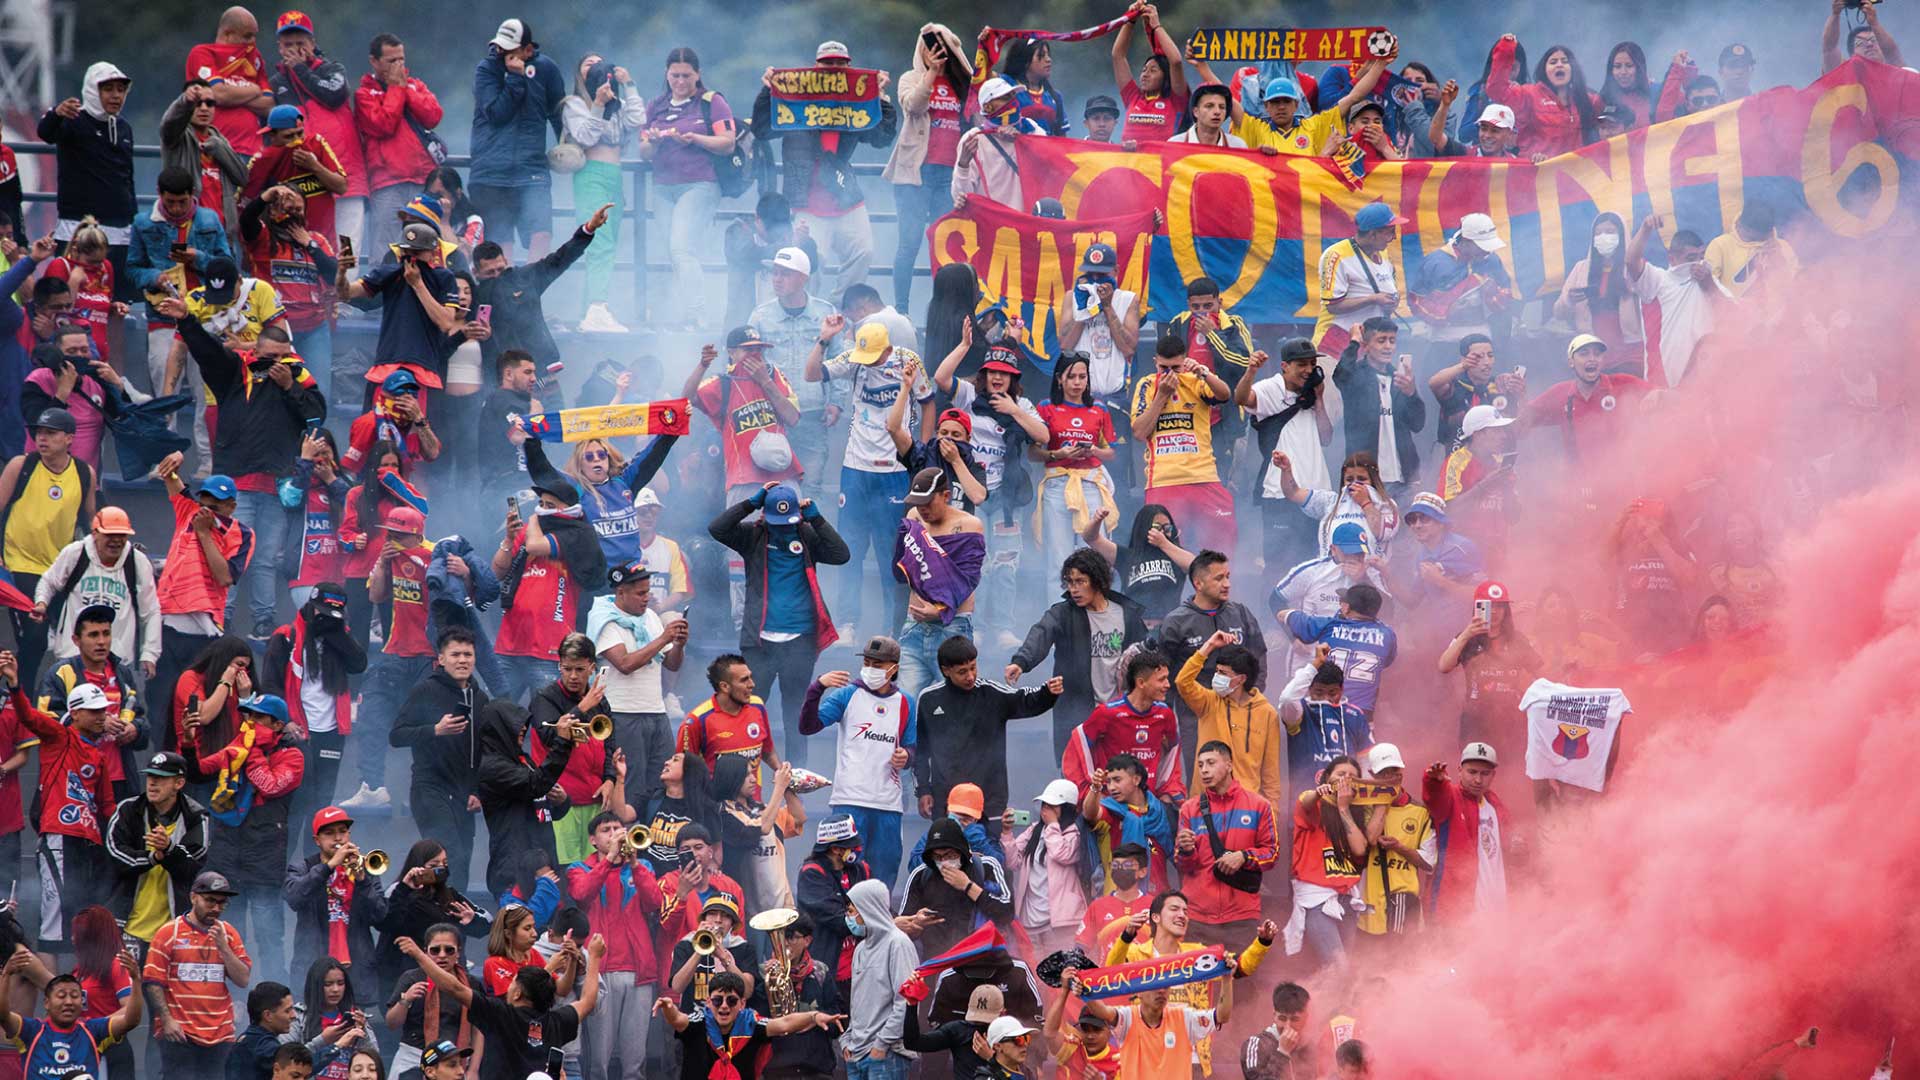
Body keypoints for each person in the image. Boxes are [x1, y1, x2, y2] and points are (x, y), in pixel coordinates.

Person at [174, 312, 328, 639]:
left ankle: (262, 620)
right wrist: (186, 321)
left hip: (275, 487)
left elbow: (316, 415)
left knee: (266, 559)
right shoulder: (235, 372)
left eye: (282, 357)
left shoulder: (298, 376)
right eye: (268, 357)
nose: (276, 364)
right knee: (228, 554)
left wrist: (289, 387)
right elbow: (208, 352)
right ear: (255, 351)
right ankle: (222, 617)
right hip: (235, 488)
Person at [806, 316, 933, 636]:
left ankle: (894, 627)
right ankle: (848, 622)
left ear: (888, 348)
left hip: (894, 469)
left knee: (892, 552)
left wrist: (925, 452)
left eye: (874, 356)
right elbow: (811, 374)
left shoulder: (909, 360)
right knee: (850, 547)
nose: (867, 361)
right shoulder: (853, 358)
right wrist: (824, 339)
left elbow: (929, 403)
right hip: (855, 468)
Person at [753, 40, 900, 300]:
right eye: (827, 64)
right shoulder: (794, 100)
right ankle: (808, 315)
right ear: (815, 68)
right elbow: (761, 129)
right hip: (805, 201)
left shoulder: (856, 102)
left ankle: (841, 308)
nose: (833, 70)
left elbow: (882, 137)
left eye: (840, 65)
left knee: (863, 252)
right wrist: (768, 90)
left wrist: (879, 97)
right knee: (806, 263)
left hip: (845, 197)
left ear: (849, 69)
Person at [396, 929, 606, 1080]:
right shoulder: (557, 1021)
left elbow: (455, 988)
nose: (511, 984)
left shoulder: (500, 1014)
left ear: (517, 993)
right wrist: (595, 957)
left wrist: (419, 956)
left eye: (514, 982)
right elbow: (587, 1001)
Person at [1008, 548, 1149, 759]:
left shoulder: (1127, 615)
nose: (1074, 589)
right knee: (1077, 778)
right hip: (1079, 713)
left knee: (1121, 776)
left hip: (1120, 712)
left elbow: (1145, 661)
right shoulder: (1063, 614)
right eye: (1070, 582)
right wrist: (1021, 662)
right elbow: (1042, 632)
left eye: (1080, 581)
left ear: (1098, 580)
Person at [799, 637, 914, 889]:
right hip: (850, 799)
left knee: (884, 873)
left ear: (893, 668)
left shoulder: (906, 701)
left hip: (888, 803)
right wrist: (817, 687)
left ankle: (880, 924)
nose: (871, 668)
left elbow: (912, 746)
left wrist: (906, 756)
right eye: (867, 662)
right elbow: (807, 726)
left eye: (878, 664)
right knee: (845, 871)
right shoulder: (847, 695)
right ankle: (845, 924)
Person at [638, 46, 737, 332]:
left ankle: (698, 314)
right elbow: (643, 151)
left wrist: (695, 138)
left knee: (681, 247)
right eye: (674, 75)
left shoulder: (711, 101)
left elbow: (727, 142)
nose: (680, 81)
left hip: (699, 183)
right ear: (666, 75)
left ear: (697, 75)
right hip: (663, 185)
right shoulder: (656, 105)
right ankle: (677, 310)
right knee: (672, 251)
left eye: (686, 75)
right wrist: (654, 141)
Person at [913, 636, 1059, 825]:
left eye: (973, 667)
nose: (970, 676)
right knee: (947, 854)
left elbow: (1026, 701)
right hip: (946, 802)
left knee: (989, 853)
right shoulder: (928, 699)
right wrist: (923, 790)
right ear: (945, 671)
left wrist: (1048, 692)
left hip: (990, 803)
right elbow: (921, 751)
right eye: (962, 672)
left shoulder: (991, 693)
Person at [388, 628, 488, 890]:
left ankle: (454, 925)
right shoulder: (425, 690)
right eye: (455, 654)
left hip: (464, 794)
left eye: (468, 654)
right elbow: (396, 735)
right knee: (446, 856)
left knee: (462, 861)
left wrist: (478, 790)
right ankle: (432, 922)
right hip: (430, 788)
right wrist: (434, 729)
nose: (462, 660)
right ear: (441, 659)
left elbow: (484, 749)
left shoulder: (480, 698)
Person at [4, 408, 99, 684]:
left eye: (50, 433)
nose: (41, 438)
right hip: (19, 564)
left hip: (59, 569)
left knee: (75, 638)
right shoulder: (21, 466)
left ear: (69, 438)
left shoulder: (84, 473)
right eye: (39, 432)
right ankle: (19, 699)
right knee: (34, 637)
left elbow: (90, 520)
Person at [564, 812, 661, 1080]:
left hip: (638, 972)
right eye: (607, 830)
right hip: (600, 973)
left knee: (634, 1060)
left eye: (618, 828)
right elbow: (581, 894)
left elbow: (654, 902)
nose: (615, 833)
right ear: (593, 840)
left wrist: (635, 863)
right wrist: (609, 860)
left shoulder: (643, 867)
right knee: (599, 1062)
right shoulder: (578, 869)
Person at [885, 23, 973, 309]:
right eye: (928, 46)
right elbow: (913, 106)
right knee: (909, 243)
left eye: (939, 48)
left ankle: (945, 310)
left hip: (950, 175)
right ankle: (902, 309)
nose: (933, 53)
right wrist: (932, 74)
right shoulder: (911, 78)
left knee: (945, 245)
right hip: (916, 174)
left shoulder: (963, 86)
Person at [470, 202, 611, 375]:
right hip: (502, 378)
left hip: (543, 370)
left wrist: (588, 229)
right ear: (475, 272)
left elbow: (560, 259)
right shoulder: (473, 296)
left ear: (506, 262)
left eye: (500, 269)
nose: (497, 277)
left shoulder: (523, 278)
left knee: (552, 402)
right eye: (490, 273)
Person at [588, 558, 685, 804]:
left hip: (656, 713)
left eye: (648, 592)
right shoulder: (605, 620)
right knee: (630, 787)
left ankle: (655, 840)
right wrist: (664, 638)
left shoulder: (651, 617)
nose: (647, 598)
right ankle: (625, 839)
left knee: (662, 786)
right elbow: (625, 664)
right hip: (623, 715)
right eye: (640, 593)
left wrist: (679, 645)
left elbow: (671, 664)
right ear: (621, 592)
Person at [560, 54, 646, 333]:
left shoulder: (616, 104)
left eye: (601, 63)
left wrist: (628, 84)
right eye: (589, 64)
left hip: (614, 176)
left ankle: (593, 310)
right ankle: (597, 307)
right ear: (579, 74)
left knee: (607, 243)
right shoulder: (574, 104)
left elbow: (637, 118)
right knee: (600, 241)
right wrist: (597, 104)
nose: (596, 67)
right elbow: (585, 136)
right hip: (591, 174)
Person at [1156, 550, 1268, 762]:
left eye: (1227, 577)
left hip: (1239, 712)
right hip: (1195, 716)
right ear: (1198, 584)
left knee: (1241, 772)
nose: (1226, 584)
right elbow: (1164, 675)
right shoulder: (1176, 622)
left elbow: (1259, 655)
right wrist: (1164, 719)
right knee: (1202, 775)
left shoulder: (1241, 613)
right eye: (1219, 578)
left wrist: (1254, 691)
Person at [468, 18, 566, 260]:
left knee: (542, 235)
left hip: (532, 169)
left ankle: (529, 292)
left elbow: (558, 112)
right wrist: (515, 77)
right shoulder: (486, 69)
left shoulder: (547, 69)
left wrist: (567, 145)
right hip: (492, 172)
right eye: (500, 47)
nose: (502, 53)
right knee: (502, 245)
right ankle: (506, 296)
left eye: (509, 49)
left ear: (528, 49)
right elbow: (496, 114)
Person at [1130, 335, 1235, 557]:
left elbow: (1225, 394)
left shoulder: (1196, 380)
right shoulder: (1148, 384)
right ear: (1155, 361)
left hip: (1203, 476)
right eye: (1163, 368)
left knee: (1222, 544)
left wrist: (1203, 372)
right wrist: (1162, 396)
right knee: (1162, 549)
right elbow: (1139, 431)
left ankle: (1218, 589)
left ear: (1185, 361)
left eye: (1175, 368)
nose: (1169, 374)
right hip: (1163, 480)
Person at [38, 64, 137, 295]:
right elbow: (45, 133)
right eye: (109, 89)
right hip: (77, 228)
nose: (116, 95)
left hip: (120, 230)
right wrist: (56, 113)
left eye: (121, 90)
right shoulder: (73, 119)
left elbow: (127, 176)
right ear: (93, 90)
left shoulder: (124, 128)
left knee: (116, 301)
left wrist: (131, 215)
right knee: (71, 295)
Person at [144, 870, 254, 1076]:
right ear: (193, 897)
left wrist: (223, 947)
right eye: (210, 901)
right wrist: (167, 1020)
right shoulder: (169, 932)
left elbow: (243, 979)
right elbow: (152, 981)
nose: (216, 908)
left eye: (222, 903)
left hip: (220, 1036)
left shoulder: (228, 933)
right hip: (180, 1035)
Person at [1173, 741, 1278, 952]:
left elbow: (1272, 853)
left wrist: (1244, 857)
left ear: (1229, 765)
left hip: (1241, 916)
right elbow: (1183, 865)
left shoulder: (1259, 805)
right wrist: (1185, 851)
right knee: (1197, 985)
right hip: (1197, 917)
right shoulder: (1189, 809)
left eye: (1211, 763)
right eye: (1200, 765)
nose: (1204, 770)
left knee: (1242, 981)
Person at [37, 604, 147, 800]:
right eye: (93, 635)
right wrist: (96, 723)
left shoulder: (123, 673)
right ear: (76, 640)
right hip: (76, 779)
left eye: (106, 633)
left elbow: (140, 717)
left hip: (119, 780)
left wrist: (135, 730)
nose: (102, 642)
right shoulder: (61, 673)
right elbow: (46, 720)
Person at [283, 805, 387, 1010]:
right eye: (329, 833)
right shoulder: (302, 868)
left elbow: (380, 916)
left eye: (342, 832)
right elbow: (294, 898)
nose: (338, 838)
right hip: (314, 969)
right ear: (317, 840)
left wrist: (363, 881)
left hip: (355, 971)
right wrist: (328, 867)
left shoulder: (365, 869)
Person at [891, 466, 984, 695]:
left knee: (954, 704)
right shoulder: (913, 517)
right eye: (917, 502)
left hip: (952, 627)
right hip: (914, 626)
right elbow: (899, 569)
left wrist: (940, 609)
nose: (922, 509)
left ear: (946, 496)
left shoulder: (969, 525)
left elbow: (968, 579)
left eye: (927, 502)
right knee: (906, 703)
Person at [654, 968, 845, 1080]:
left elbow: (785, 1023)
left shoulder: (750, 1024)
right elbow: (678, 1020)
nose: (724, 1007)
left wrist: (813, 1016)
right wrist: (668, 1007)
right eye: (718, 1000)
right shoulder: (699, 1022)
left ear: (743, 1003)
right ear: (708, 1002)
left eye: (732, 1001)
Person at [105, 750, 211, 943]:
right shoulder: (128, 810)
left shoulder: (195, 816)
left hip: (175, 929)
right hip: (126, 924)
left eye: (161, 778)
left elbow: (193, 865)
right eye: (150, 776)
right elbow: (115, 854)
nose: (152, 782)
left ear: (179, 783)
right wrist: (153, 857)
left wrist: (169, 849)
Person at [1436, 582, 1543, 773]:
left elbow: (1541, 671)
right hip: (1475, 720)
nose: (1494, 612)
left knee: (1510, 773)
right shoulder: (1467, 638)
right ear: (1478, 608)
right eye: (1488, 606)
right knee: (1475, 772)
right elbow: (1444, 666)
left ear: (1506, 610)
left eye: (1500, 606)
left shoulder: (1517, 640)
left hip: (1511, 720)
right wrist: (1466, 634)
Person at [356, 33, 445, 258]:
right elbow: (383, 124)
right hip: (388, 183)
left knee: (426, 248)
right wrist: (397, 89)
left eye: (401, 59)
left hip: (421, 180)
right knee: (386, 250)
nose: (398, 65)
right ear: (374, 62)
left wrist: (404, 89)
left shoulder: (415, 85)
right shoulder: (364, 94)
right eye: (391, 61)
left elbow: (433, 115)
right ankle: (382, 293)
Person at [1071, 958, 1233, 1080]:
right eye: (1155, 986)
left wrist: (1227, 979)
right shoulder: (1127, 1018)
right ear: (1139, 992)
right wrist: (1085, 993)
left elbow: (1222, 1015)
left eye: (1166, 986)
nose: (1162, 991)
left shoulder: (1184, 1018)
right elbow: (1103, 1011)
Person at [1175, 631, 1281, 817]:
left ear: (1241, 679)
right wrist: (1208, 646)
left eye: (1223, 673)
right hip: (1205, 805)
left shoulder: (1267, 713)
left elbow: (1271, 773)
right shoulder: (1208, 702)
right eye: (1216, 671)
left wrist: (1272, 814)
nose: (1217, 678)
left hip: (1246, 809)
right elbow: (1183, 682)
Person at [0, 944, 143, 1080]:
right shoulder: (32, 1030)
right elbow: (3, 1015)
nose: (68, 1002)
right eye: (61, 996)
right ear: (47, 1003)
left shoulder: (92, 1030)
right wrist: (6, 975)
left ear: (82, 1002)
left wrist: (136, 980)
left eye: (75, 996)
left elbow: (131, 1020)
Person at [1035, 352, 1120, 578]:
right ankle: (1057, 611)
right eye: (1071, 376)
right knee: (1058, 559)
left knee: (1097, 555)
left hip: (1091, 483)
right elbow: (1033, 453)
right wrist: (1057, 454)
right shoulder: (1045, 407)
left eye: (1083, 377)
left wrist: (1093, 451)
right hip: (1057, 484)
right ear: (1059, 379)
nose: (1077, 382)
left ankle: (1097, 610)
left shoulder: (1099, 409)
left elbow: (1112, 452)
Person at [1284, 757, 1367, 970]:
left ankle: (1336, 1004)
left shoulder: (1355, 812)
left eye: (1353, 777)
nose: (1346, 780)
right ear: (1326, 777)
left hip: (1347, 899)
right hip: (1317, 899)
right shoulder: (1314, 803)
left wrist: (1343, 809)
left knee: (1342, 968)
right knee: (1339, 968)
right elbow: (1306, 801)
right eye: (1341, 775)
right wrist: (1320, 793)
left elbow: (1360, 849)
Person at [1518, 334, 1652, 464]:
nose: (1592, 358)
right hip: (1577, 481)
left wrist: (1657, 397)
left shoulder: (1622, 383)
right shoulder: (1560, 393)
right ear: (1571, 362)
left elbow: (1664, 395)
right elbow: (1524, 422)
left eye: (1597, 354)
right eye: (1584, 354)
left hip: (1620, 477)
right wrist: (1520, 394)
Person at [900, 814, 1015, 959]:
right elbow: (903, 927)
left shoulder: (986, 867)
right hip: (935, 961)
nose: (944, 861)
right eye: (937, 856)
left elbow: (1007, 913)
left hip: (980, 959)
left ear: (961, 850)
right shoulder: (921, 875)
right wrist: (917, 924)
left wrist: (968, 886)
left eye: (949, 854)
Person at [1331, 317, 1424, 494]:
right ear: (1366, 346)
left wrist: (1412, 394)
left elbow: (1417, 424)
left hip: (1403, 477)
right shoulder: (1356, 375)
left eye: (1392, 340)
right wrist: (1354, 342)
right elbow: (1340, 375)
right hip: (1365, 477)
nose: (1388, 346)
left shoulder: (1401, 379)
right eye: (1381, 340)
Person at [1278, 584, 1397, 719]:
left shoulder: (1329, 624)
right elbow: (1386, 662)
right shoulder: (1388, 635)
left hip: (1326, 709)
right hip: (1361, 715)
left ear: (1346, 607)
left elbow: (1281, 615)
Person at [1080, 649, 1184, 804]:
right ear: (1141, 683)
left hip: (1149, 804)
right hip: (1112, 803)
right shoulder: (1106, 713)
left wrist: (1168, 793)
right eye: (1161, 679)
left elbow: (1172, 757)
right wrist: (1095, 792)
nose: (1168, 685)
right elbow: (1079, 749)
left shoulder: (1165, 715)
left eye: (1167, 679)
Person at [1355, 743, 1434, 942]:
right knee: (1370, 964)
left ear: (1402, 772)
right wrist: (1382, 799)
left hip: (1403, 900)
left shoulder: (1421, 811)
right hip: (1370, 904)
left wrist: (1399, 847)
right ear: (1373, 775)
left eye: (1395, 772)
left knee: (1397, 962)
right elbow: (1371, 839)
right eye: (1384, 774)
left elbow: (1429, 862)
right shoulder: (1365, 807)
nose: (1392, 778)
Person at [1625, 213, 1715, 387]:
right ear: (1672, 259)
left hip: (1707, 378)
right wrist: (1645, 229)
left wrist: (1710, 285)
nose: (1697, 262)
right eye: (1690, 258)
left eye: (1701, 256)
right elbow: (1630, 261)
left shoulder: (1709, 279)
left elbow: (1734, 313)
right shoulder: (1659, 280)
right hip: (1664, 380)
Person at [1423, 743, 1511, 920]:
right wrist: (1433, 781)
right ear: (1459, 770)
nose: (1478, 780)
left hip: (1492, 908)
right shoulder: (1451, 797)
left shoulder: (1494, 803)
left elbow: (1504, 847)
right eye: (1472, 772)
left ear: (1493, 775)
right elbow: (1434, 797)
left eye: (1484, 773)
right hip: (1452, 909)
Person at [678, 653, 779, 806]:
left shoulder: (757, 706)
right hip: (715, 810)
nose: (752, 684)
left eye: (750, 677)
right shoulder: (697, 720)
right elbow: (683, 769)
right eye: (744, 680)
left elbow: (767, 750)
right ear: (724, 686)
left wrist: (782, 772)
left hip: (753, 806)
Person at [842, 877, 918, 1080]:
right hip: (856, 1054)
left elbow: (906, 1001)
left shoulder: (898, 943)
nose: (848, 917)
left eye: (851, 911)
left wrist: (881, 1045)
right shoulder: (859, 949)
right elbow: (858, 1003)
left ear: (868, 908)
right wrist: (847, 1039)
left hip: (886, 1056)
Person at [1274, 645, 1372, 801]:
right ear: (1308, 689)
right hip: (1306, 808)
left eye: (1332, 693)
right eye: (1319, 692)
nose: (1326, 698)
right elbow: (1287, 698)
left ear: (1342, 690)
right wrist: (1315, 664)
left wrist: (1365, 803)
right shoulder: (1300, 712)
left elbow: (1366, 764)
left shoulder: (1355, 715)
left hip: (1348, 806)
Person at [1485, 35, 1601, 159]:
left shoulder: (1586, 99)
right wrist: (1506, 47)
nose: (1559, 65)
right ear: (1544, 70)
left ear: (1573, 69)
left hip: (1573, 174)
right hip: (1535, 173)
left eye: (1565, 61)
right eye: (1553, 62)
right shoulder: (1529, 94)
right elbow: (1496, 89)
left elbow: (1614, 117)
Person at [1313, 204, 1403, 352]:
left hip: (1368, 344)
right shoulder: (1336, 255)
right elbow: (1333, 306)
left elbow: (1387, 291)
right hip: (1336, 341)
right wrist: (1373, 299)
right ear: (1372, 234)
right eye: (1390, 232)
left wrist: (1391, 302)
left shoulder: (1383, 254)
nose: (1393, 238)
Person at [188, 7, 276, 156]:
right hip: (214, 149)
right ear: (228, 34)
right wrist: (253, 90)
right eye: (247, 36)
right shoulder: (203, 53)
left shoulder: (255, 58)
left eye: (255, 36)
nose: (252, 42)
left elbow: (269, 106)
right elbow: (218, 94)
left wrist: (232, 95)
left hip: (252, 151)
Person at [951, 77, 1048, 210]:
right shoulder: (973, 139)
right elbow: (961, 198)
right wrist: (963, 164)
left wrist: (1021, 142)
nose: (1013, 102)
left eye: (1013, 96)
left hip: (1027, 220)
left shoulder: (1032, 129)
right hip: (992, 222)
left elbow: (1049, 168)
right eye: (1005, 98)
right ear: (988, 107)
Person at [667, 894, 759, 1013]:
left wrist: (724, 958)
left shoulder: (744, 948)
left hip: (731, 1022)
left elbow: (747, 991)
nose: (718, 920)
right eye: (712, 914)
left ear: (733, 924)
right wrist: (699, 949)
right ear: (704, 918)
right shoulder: (686, 945)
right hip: (693, 1022)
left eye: (726, 916)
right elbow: (677, 987)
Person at [1112, 2, 1189, 144]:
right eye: (1144, 70)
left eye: (1153, 70)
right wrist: (1130, 20)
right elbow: (1118, 55)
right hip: (1128, 164)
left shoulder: (1176, 99)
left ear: (1166, 77)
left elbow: (1176, 61)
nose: (1145, 74)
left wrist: (1156, 26)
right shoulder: (1133, 97)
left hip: (1161, 164)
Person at [1427, 335, 1522, 449]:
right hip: (1457, 460)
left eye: (1490, 355)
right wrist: (1462, 366)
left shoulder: (1499, 385)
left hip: (1496, 460)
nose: (1487, 362)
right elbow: (1433, 383)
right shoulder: (1454, 385)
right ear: (1464, 360)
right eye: (1479, 357)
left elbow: (1520, 426)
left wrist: (1521, 395)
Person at [227, 982, 305, 1080]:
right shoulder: (264, 1048)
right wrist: (324, 1042)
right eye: (287, 1011)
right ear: (268, 1015)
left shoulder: (248, 1039)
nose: (293, 1015)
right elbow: (299, 1067)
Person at [1427, 90, 1520, 158]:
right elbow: (1435, 138)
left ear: (1509, 134)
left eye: (1495, 131)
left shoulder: (1516, 165)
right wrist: (1444, 105)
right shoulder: (1465, 153)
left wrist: (1535, 158)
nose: (1487, 135)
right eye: (1483, 128)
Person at [1824, 0, 1904, 71]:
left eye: (1873, 40)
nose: (1869, 44)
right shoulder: (1844, 74)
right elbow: (1830, 48)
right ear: (1852, 54)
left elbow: (1892, 53)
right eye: (1860, 43)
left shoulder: (1894, 73)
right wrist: (1835, 14)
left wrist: (1875, 24)